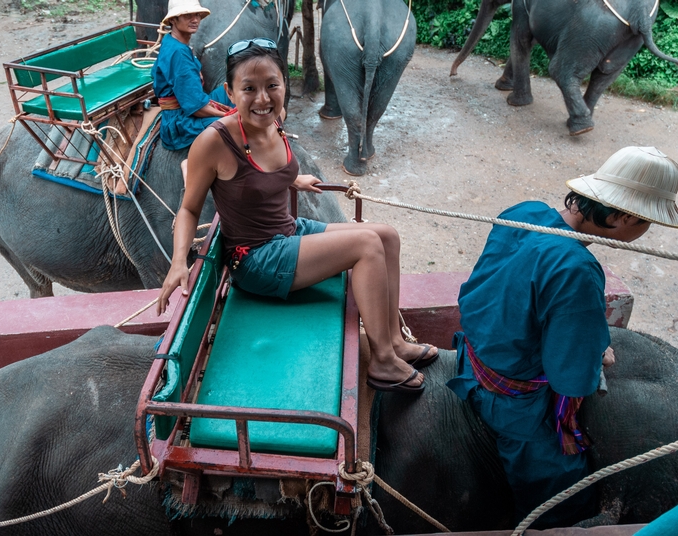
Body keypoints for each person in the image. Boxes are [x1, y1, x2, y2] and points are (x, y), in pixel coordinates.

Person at [156, 38, 438, 393]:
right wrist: (178, 261)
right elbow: (189, 208)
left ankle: (394, 341)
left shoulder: (275, 118)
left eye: (272, 85)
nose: (262, 99)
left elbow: (267, 169)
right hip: (256, 258)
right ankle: (381, 360)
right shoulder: (213, 143)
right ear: (229, 91)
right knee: (366, 244)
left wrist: (295, 178)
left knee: (387, 236)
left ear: (284, 85)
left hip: (288, 231)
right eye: (249, 89)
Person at [447, 146, 678, 527]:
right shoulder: (576, 268)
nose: (645, 231)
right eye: (646, 222)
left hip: (471, 352)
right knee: (560, 495)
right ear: (620, 217)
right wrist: (594, 349)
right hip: (510, 402)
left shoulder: (525, 212)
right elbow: (571, 378)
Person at [153, 0, 234, 152]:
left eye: (197, 14)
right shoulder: (179, 54)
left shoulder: (173, 41)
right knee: (235, 125)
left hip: (190, 105)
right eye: (187, 15)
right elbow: (196, 108)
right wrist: (229, 114)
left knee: (233, 90)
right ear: (173, 19)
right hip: (179, 122)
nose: (195, 19)